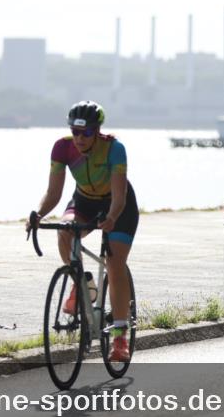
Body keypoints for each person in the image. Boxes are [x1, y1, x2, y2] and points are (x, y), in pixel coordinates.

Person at [26, 101, 139, 362]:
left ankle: (121, 336)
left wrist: (111, 218)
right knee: (64, 231)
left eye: (86, 133)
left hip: (117, 205)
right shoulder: (62, 147)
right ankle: (83, 284)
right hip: (84, 201)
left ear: (97, 131)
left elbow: (120, 197)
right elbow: (54, 193)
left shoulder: (114, 148)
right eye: (75, 132)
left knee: (115, 262)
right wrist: (39, 214)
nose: (79, 138)